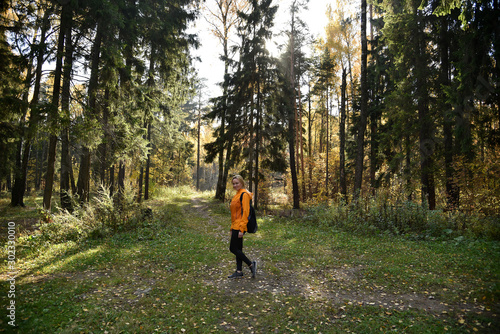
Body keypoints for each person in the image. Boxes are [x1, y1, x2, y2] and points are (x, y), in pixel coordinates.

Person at [228, 175, 257, 279]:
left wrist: (242, 229)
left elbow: (245, 212)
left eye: (237, 183)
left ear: (242, 183)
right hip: (235, 225)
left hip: (240, 225)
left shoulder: (244, 194)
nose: (235, 185)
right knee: (238, 248)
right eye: (234, 183)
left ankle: (250, 264)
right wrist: (231, 227)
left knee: (233, 248)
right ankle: (239, 271)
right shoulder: (237, 194)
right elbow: (234, 214)